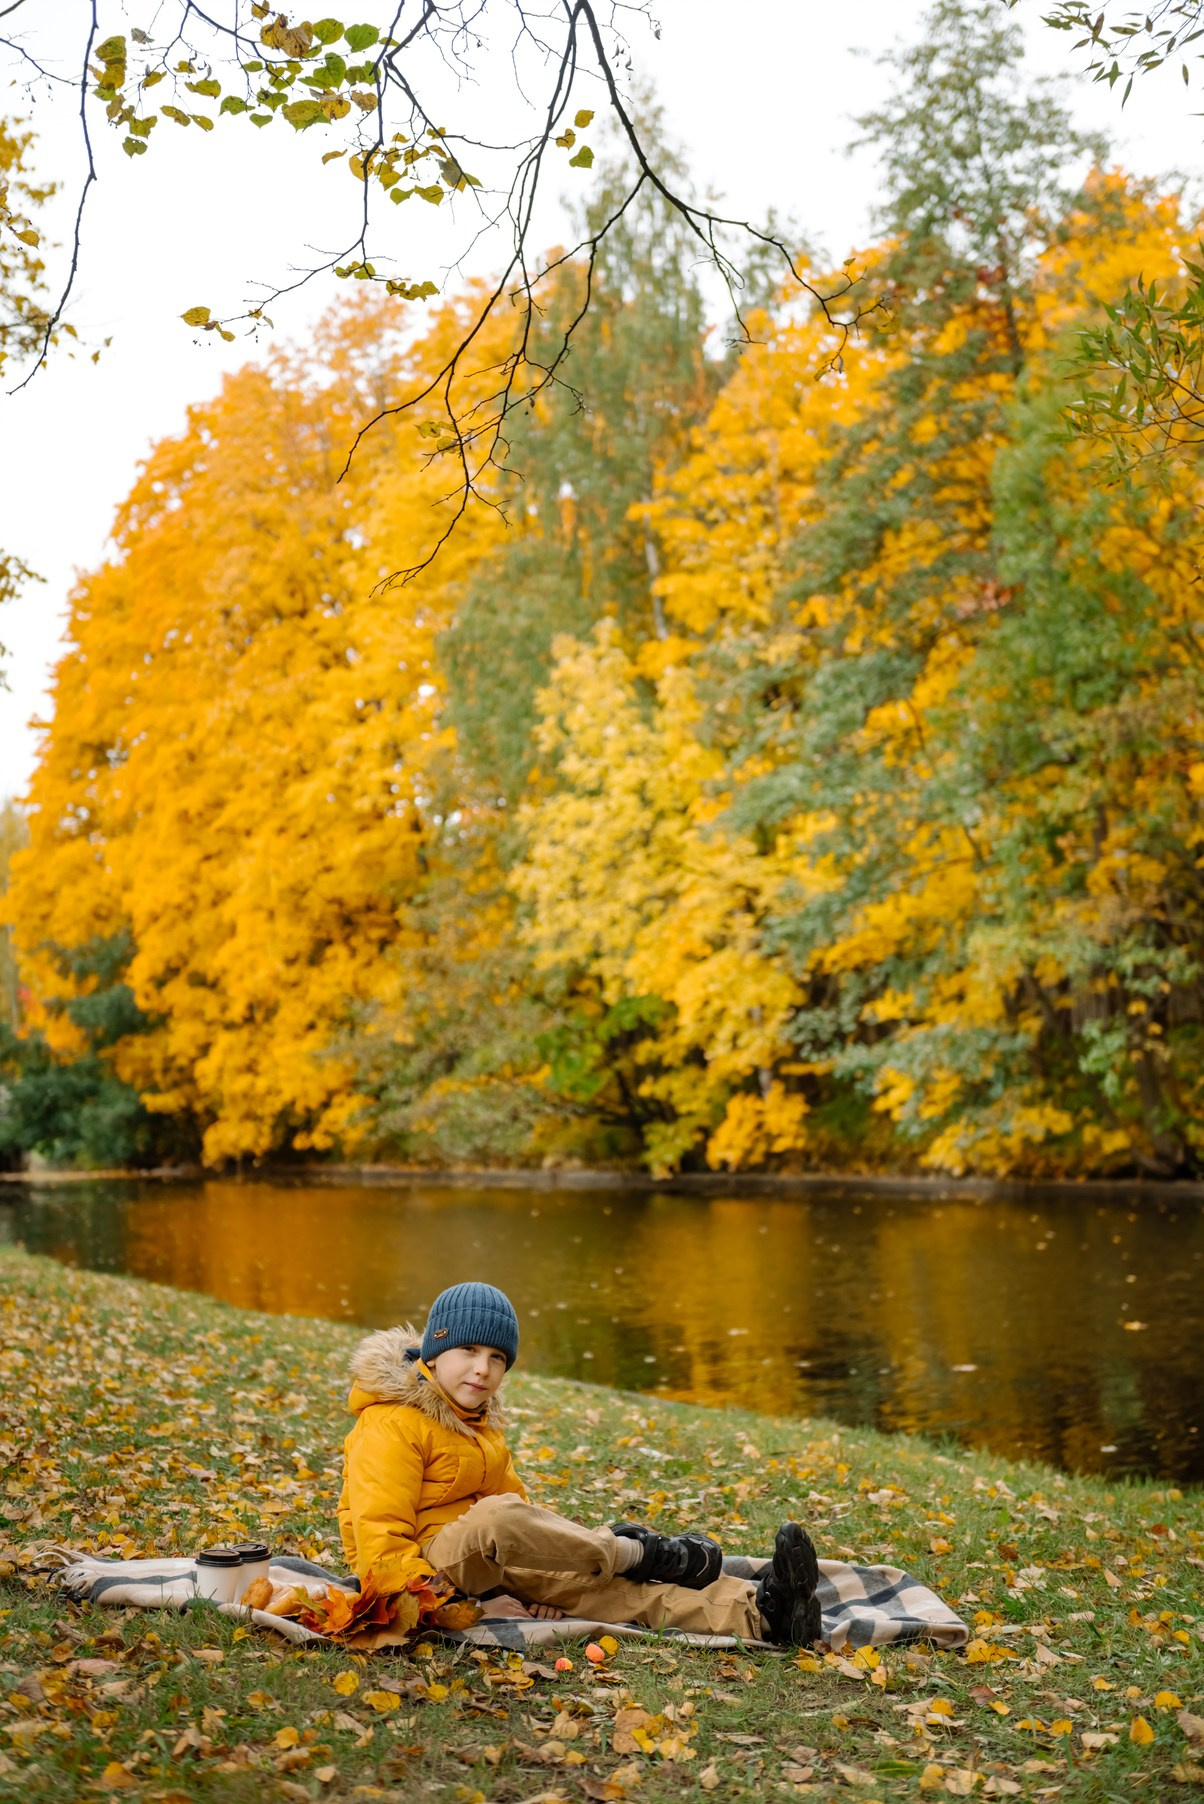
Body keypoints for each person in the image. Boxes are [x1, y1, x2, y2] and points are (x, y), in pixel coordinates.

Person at [337, 1280, 822, 1645]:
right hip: (419, 1572)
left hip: (483, 1559)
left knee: (593, 1585)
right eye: (467, 1350)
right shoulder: (391, 1425)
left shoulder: (479, 1424)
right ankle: (643, 1552)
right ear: (435, 1352)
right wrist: (466, 1605)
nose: (482, 1368)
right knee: (499, 1518)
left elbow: (523, 1520)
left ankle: (763, 1612)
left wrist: (539, 1582)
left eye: (497, 1358)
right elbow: (380, 1548)